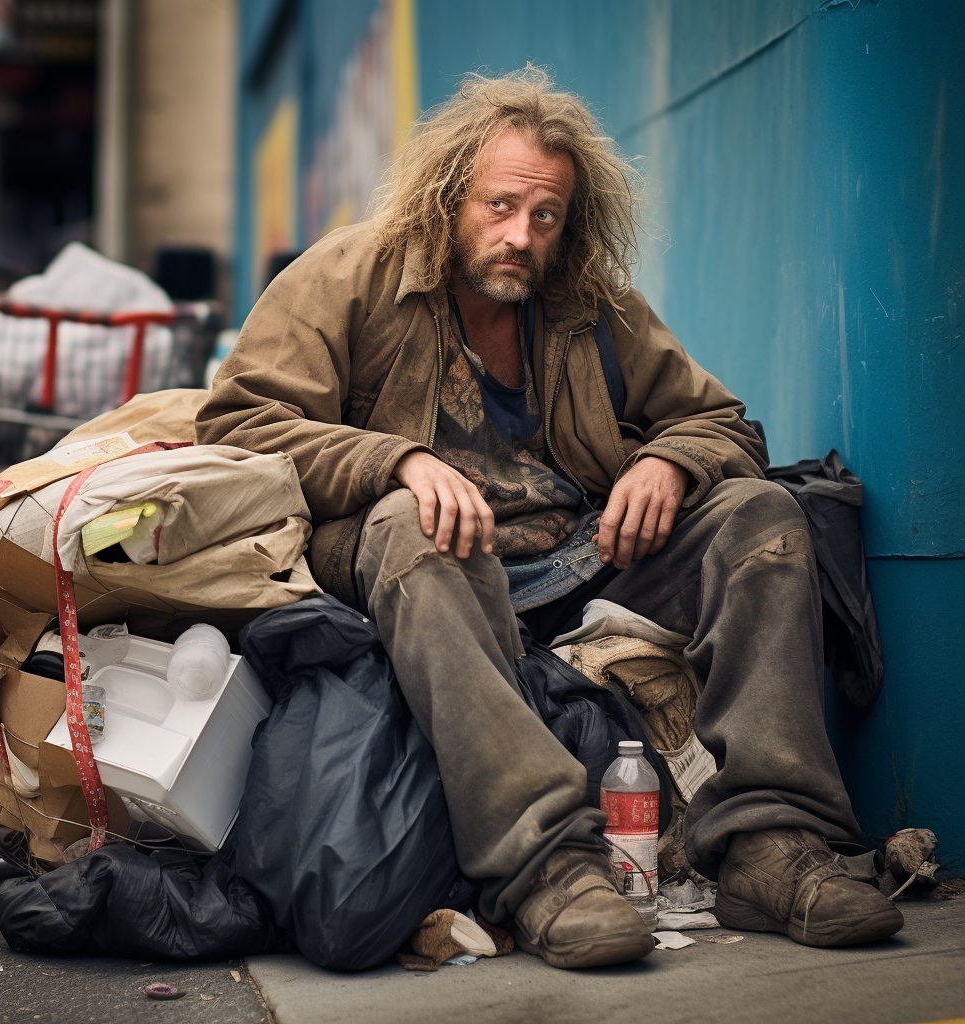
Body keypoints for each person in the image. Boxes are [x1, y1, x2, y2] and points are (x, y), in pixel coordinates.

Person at [197, 69, 902, 969]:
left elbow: (723, 423)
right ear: (450, 193)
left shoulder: (589, 307)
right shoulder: (349, 275)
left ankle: (773, 846)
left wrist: (668, 460)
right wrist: (396, 462)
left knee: (759, 512)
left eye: (545, 217)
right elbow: (239, 424)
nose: (519, 236)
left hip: (581, 561)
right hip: (421, 568)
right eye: (499, 206)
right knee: (420, 527)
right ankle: (548, 869)